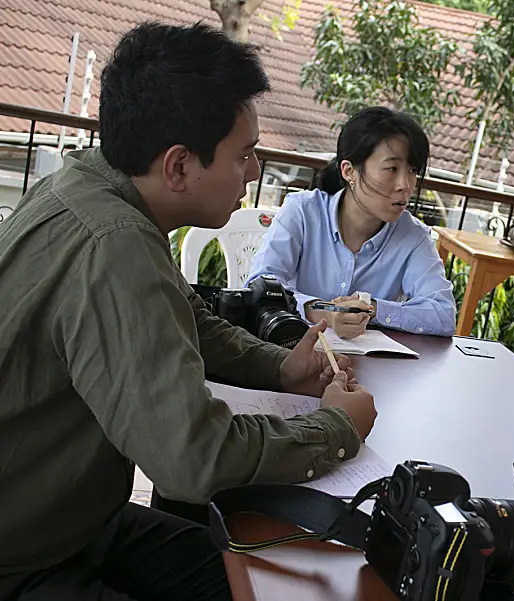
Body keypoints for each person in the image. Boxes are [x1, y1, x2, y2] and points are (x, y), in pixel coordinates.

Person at [0, 23, 377, 601]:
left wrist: (280, 368)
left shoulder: (85, 184)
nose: (253, 173)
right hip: (25, 557)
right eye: (245, 154)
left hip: (72, 520)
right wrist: (336, 429)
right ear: (178, 166)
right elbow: (193, 458)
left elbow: (181, 314)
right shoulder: (114, 245)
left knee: (243, 576)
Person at [245, 106, 456, 339]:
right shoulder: (303, 212)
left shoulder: (413, 236)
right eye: (392, 169)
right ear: (349, 171)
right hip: (288, 349)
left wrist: (372, 309)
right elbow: (261, 285)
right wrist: (322, 312)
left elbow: (443, 314)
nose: (405, 185)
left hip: (366, 366)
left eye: (412, 171)